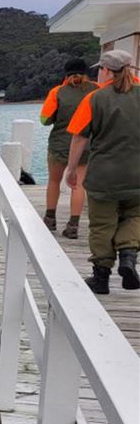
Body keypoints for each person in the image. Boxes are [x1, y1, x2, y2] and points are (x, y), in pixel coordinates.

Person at [65, 49, 140, 294]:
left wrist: (72, 168)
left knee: (101, 225)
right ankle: (128, 256)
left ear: (107, 70)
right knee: (135, 217)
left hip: (104, 175)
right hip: (137, 173)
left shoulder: (95, 98)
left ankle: (101, 277)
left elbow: (79, 137)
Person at [40, 58, 99, 238]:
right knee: (79, 185)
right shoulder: (97, 90)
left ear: (66, 74)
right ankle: (73, 225)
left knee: (53, 181)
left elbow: (44, 120)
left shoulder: (58, 92)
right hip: (87, 145)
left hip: (60, 144)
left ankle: (50, 220)